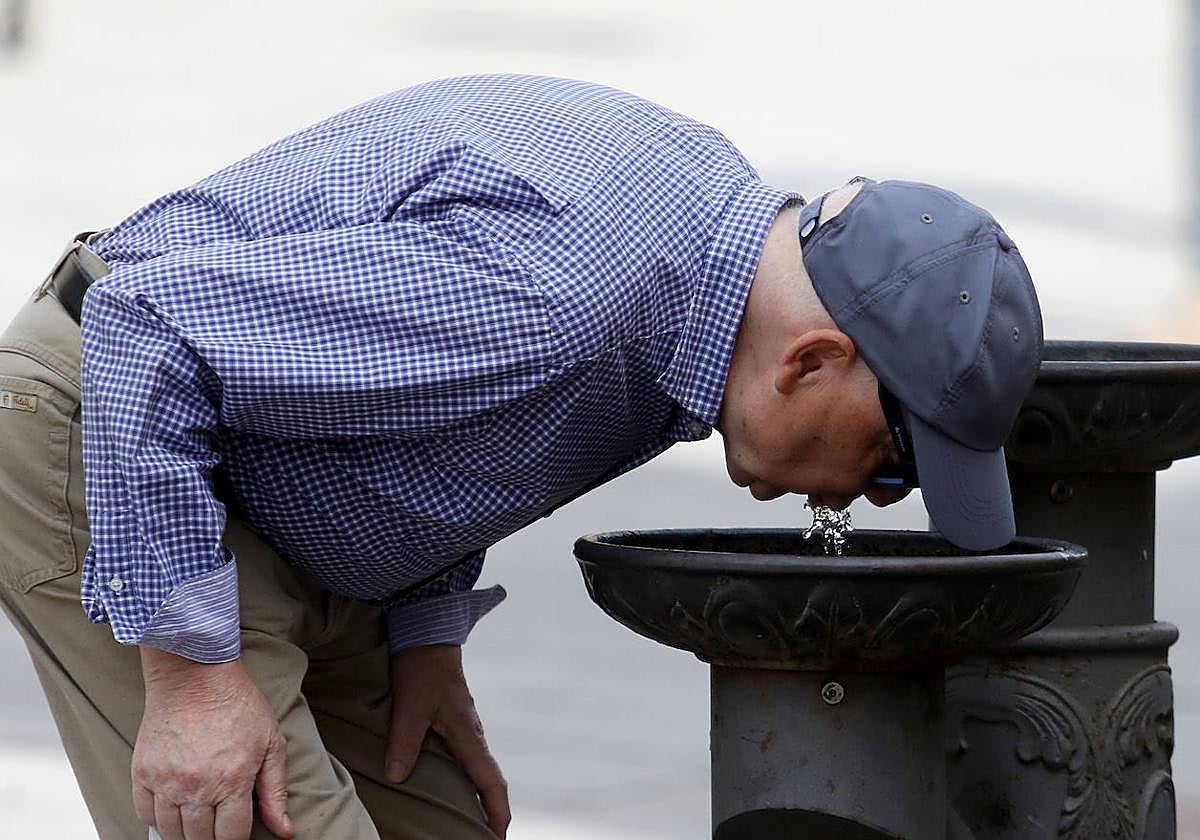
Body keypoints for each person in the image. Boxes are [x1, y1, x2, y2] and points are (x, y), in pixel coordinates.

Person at [0, 73, 1041, 840]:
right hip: (116, 442)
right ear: (813, 360)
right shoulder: (560, 296)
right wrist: (191, 681)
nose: (870, 495)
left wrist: (427, 635)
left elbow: (455, 412)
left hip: (274, 491)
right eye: (892, 462)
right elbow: (151, 327)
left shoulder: (706, 246)